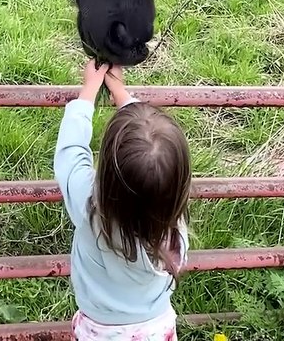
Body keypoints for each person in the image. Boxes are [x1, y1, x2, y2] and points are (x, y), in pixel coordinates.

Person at [54, 59, 193, 341]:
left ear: (106, 172)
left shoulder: (90, 207)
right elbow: (151, 155)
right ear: (180, 184)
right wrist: (121, 94)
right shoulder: (173, 225)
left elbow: (71, 154)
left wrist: (88, 93)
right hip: (157, 330)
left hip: (99, 332)